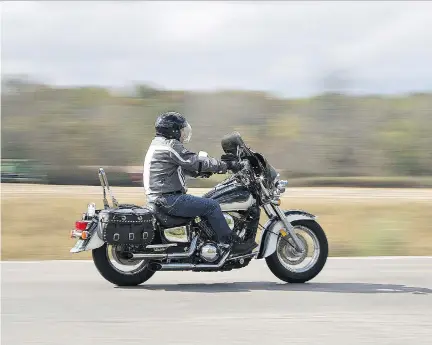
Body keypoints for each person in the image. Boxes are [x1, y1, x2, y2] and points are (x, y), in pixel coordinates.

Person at [143, 111, 258, 255]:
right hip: (169, 199)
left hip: (161, 197)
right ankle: (230, 244)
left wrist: (201, 171)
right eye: (181, 130)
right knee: (212, 206)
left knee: (206, 203)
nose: (183, 134)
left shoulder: (158, 144)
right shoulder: (170, 145)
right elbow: (194, 161)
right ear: (172, 130)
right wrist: (227, 165)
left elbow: (179, 168)